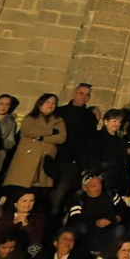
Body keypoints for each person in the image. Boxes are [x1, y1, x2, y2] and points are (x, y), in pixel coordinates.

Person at [3, 93, 66, 191]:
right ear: (40, 104)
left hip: (45, 160)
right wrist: (51, 131)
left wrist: (43, 138)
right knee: (20, 187)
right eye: (47, 102)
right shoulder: (30, 118)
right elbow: (29, 131)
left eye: (54, 103)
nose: (51, 105)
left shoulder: (58, 121)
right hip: (28, 158)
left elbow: (61, 138)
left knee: (38, 190)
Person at [50, 83, 97, 212]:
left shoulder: (89, 117)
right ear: (74, 94)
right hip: (54, 157)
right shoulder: (60, 112)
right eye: (81, 93)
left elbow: (90, 141)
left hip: (72, 162)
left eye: (87, 95)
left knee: (60, 196)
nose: (84, 97)